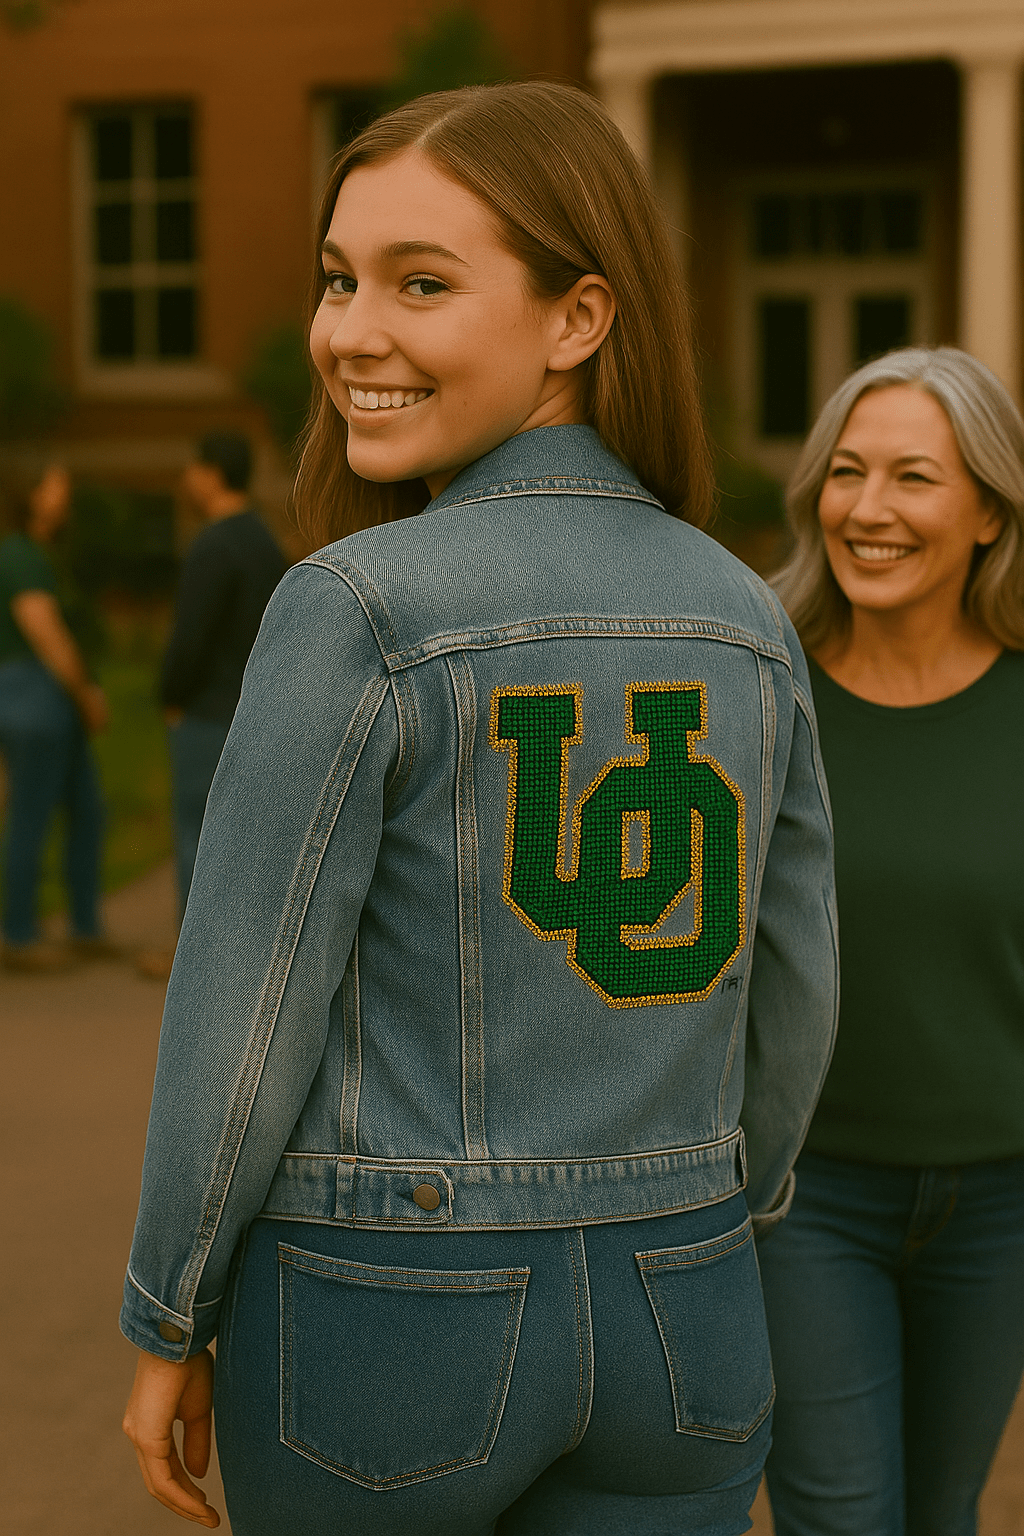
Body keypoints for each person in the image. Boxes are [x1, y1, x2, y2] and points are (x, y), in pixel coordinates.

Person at [120, 82, 838, 1536]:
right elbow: (803, 992)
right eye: (339, 278)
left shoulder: (355, 606)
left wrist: (165, 1310)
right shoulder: (749, 614)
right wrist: (705, 1219)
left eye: (422, 283)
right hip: (688, 1307)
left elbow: (241, 1020)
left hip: (389, 1313)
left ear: (581, 318)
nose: (350, 331)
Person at [760, 346, 1024, 1536]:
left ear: (986, 511)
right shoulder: (760, 695)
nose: (868, 510)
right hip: (807, 1196)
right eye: (846, 472)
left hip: (1005, 1204)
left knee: (943, 1513)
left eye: (913, 478)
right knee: (840, 1518)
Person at [160, 430, 285, 914]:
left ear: (211, 475)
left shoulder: (212, 545)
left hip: (207, 712)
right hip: (255, 711)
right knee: (242, 849)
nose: (186, 481)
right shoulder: (264, 542)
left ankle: (191, 967)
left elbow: (189, 639)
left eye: (192, 470)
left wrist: (171, 698)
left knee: (196, 836)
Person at [0, 465, 109, 972]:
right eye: (54, 486)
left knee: (87, 812)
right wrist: (84, 690)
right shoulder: (19, 555)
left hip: (51, 704)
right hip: (33, 699)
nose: (63, 497)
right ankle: (18, 935)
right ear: (31, 496)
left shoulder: (43, 555)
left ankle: (84, 925)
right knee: (31, 816)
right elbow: (43, 629)